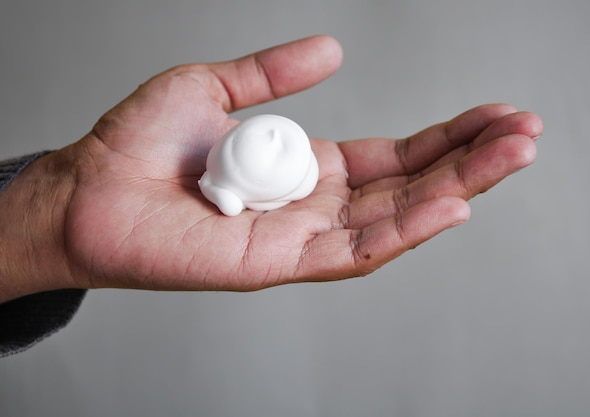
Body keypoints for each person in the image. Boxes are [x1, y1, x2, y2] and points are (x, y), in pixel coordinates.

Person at [0, 35, 542, 356]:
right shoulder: (255, 161)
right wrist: (56, 212)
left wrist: (51, 221)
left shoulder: (276, 161)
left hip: (260, 178)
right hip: (250, 179)